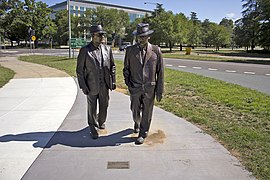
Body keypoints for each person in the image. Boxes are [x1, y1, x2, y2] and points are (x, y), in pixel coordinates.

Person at [123, 23, 164, 145]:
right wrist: (129, 84)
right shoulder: (130, 50)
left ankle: (143, 133)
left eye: (144, 36)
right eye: (140, 36)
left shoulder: (156, 50)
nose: (142, 39)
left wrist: (159, 90)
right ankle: (137, 122)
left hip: (149, 87)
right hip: (135, 87)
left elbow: (160, 71)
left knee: (147, 111)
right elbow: (126, 70)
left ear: (148, 37)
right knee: (135, 110)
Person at [76, 25, 116, 139]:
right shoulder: (85, 50)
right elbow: (79, 70)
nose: (102, 37)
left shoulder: (107, 49)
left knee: (104, 105)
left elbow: (112, 66)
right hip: (91, 85)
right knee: (92, 107)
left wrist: (112, 80)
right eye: (99, 35)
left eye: (102, 35)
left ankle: (101, 121)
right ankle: (92, 127)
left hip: (104, 84)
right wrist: (83, 86)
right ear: (93, 36)